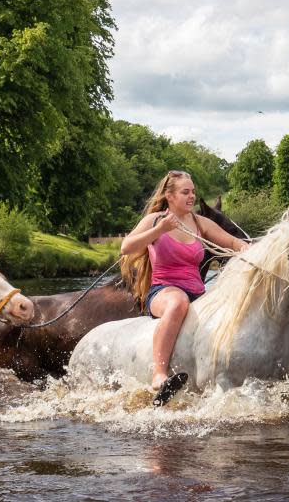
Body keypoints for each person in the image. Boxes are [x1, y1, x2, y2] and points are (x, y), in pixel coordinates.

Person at [120, 170, 249, 406]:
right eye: (185, 192)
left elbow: (230, 241)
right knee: (178, 302)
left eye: (193, 192)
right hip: (163, 292)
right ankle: (158, 373)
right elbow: (126, 247)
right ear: (169, 196)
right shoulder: (156, 220)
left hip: (198, 294)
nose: (191, 197)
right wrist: (159, 231)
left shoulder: (199, 223)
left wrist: (246, 249)